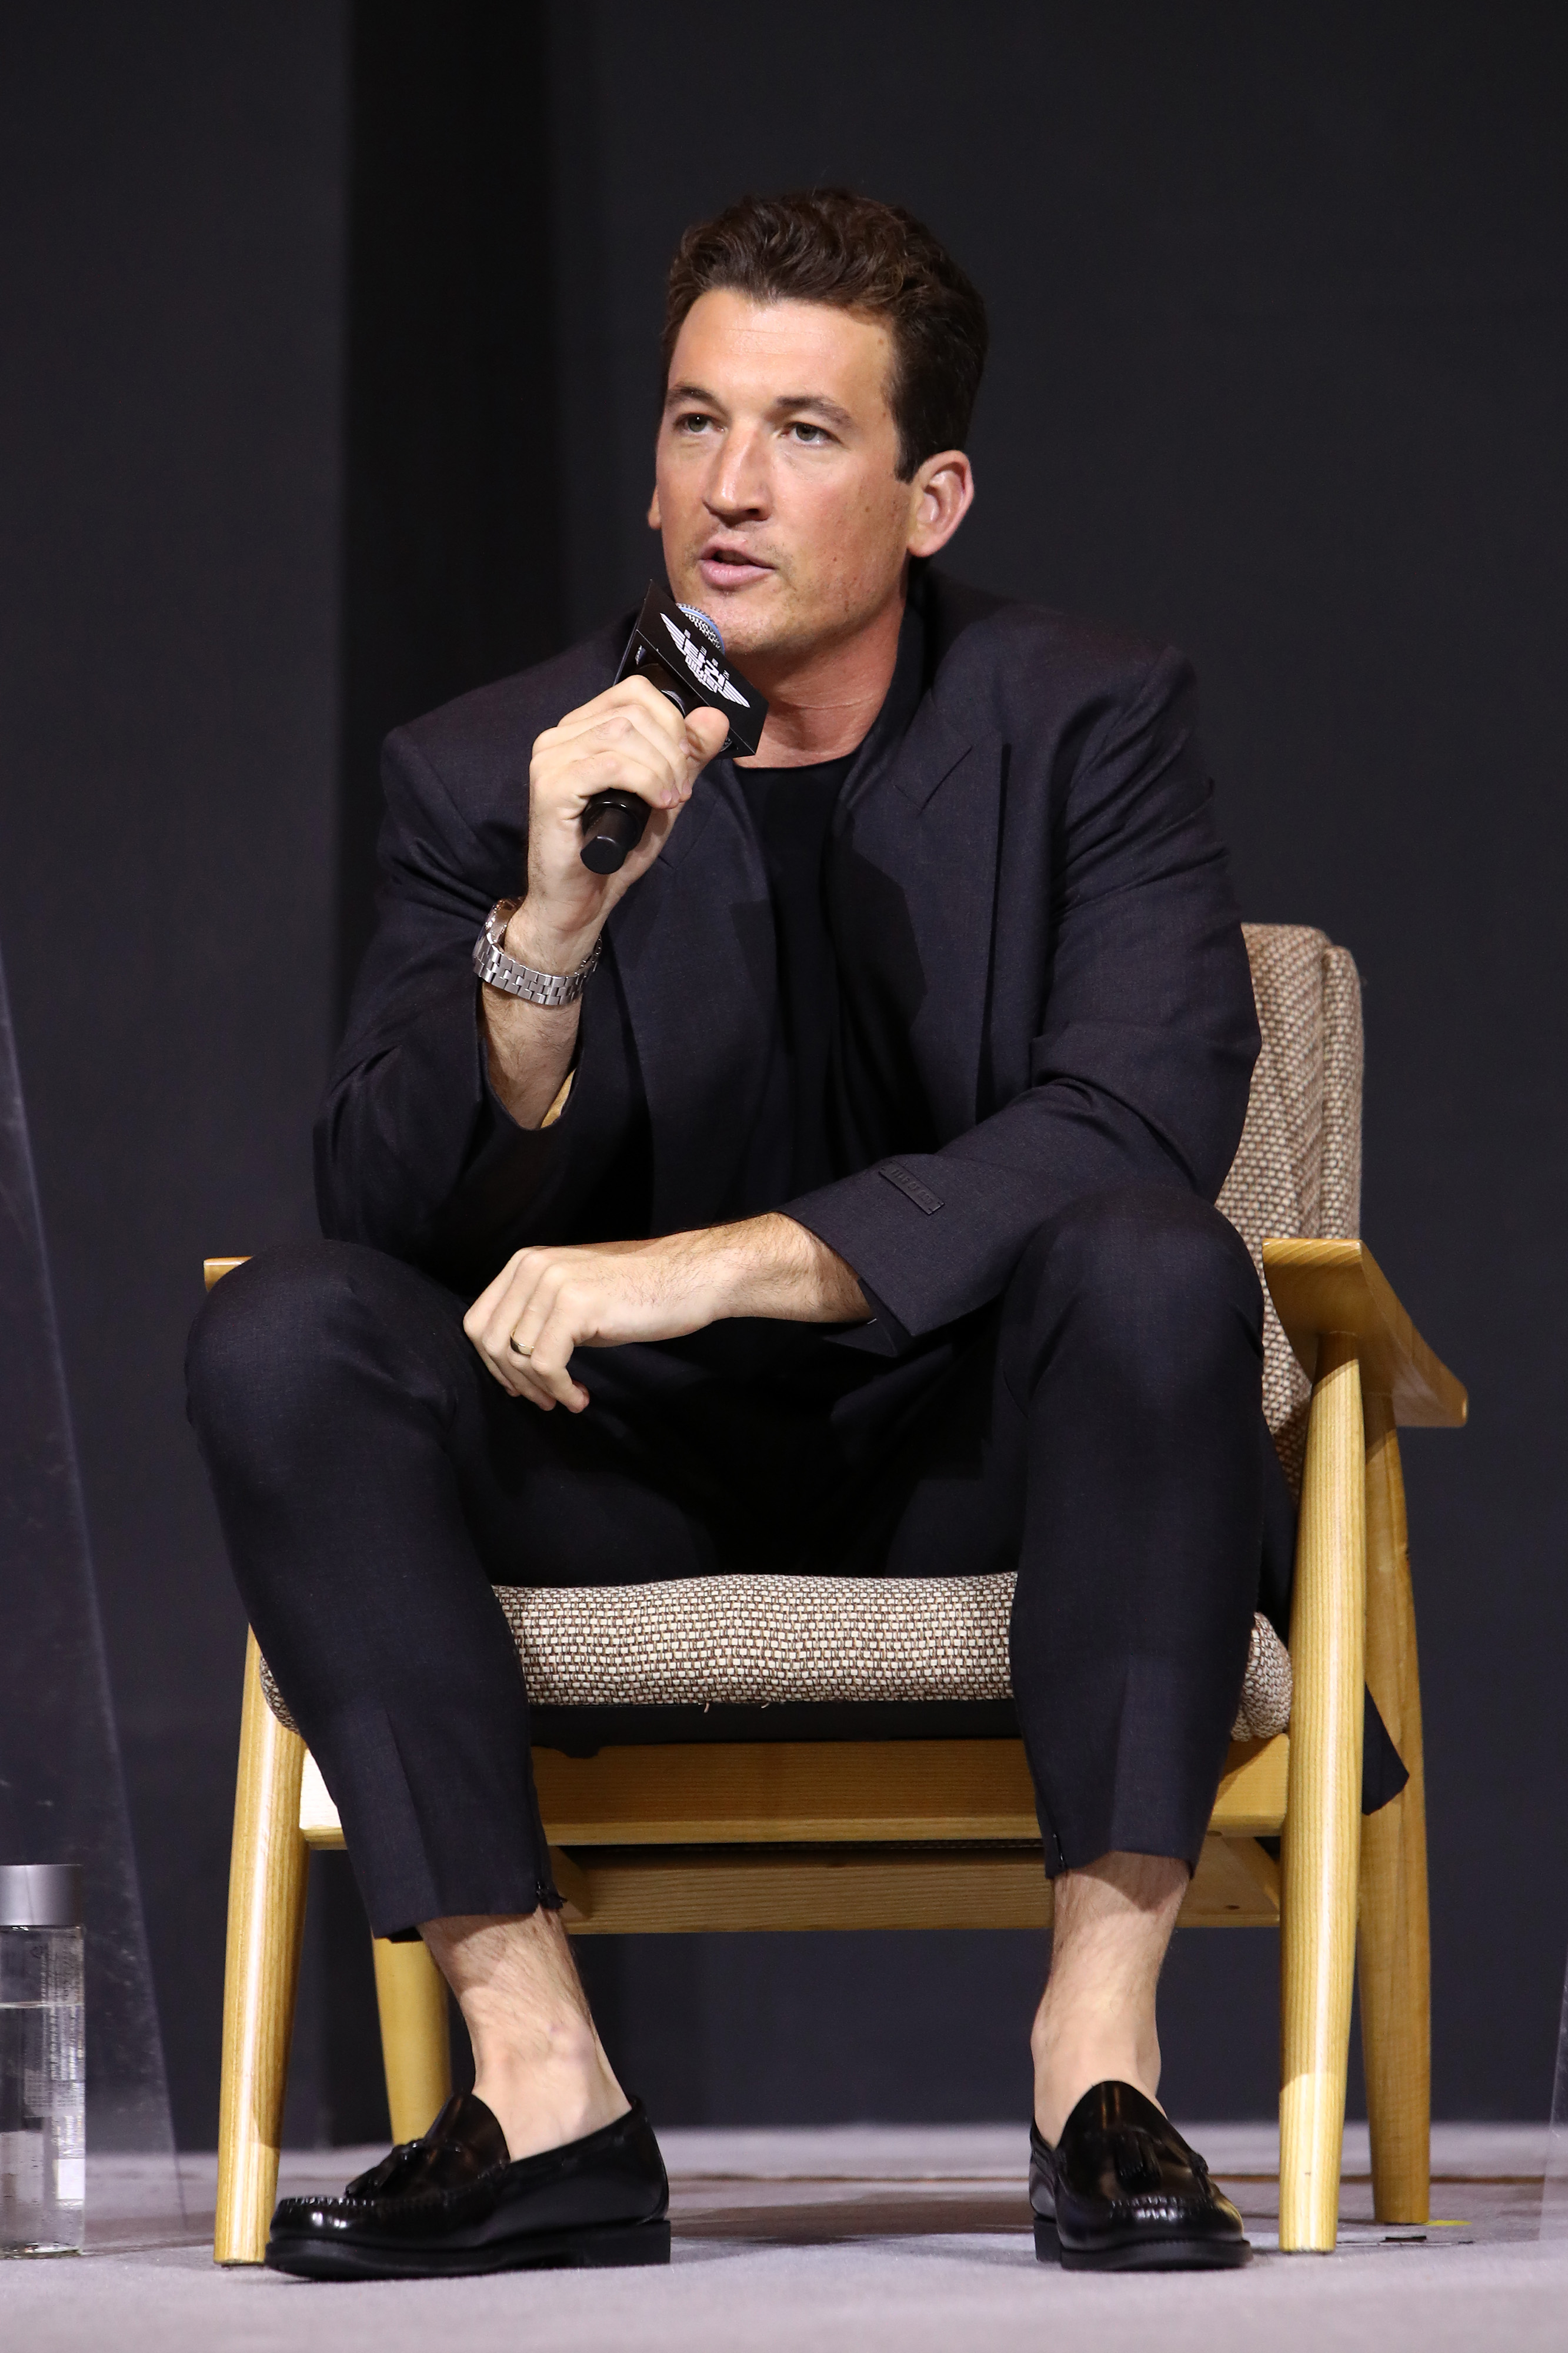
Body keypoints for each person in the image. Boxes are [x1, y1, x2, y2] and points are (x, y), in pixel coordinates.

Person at [189, 188, 1267, 2280]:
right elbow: (380, 1210)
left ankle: (1095, 2071)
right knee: (282, 1332)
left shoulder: (1087, 723)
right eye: (693, 423)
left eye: (801, 431)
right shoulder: (488, 769)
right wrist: (544, 936)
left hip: (976, 1456)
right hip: (611, 1464)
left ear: (930, 497)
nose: (728, 487)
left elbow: (1133, 1119)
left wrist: (713, 1260)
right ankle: (543, 2088)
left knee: (1154, 1264)